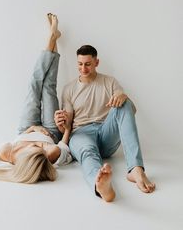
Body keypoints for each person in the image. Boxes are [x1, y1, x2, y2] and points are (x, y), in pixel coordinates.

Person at [0, 14, 72, 184]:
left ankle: (53, 37)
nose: (39, 146)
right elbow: (63, 146)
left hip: (26, 128)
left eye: (36, 148)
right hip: (50, 130)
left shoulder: (7, 153)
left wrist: (30, 129)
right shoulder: (50, 154)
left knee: (34, 84)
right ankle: (53, 38)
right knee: (48, 86)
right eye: (41, 149)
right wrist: (65, 128)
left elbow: (7, 148)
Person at [55, 45, 155, 202]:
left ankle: (135, 169)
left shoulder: (110, 82)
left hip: (106, 134)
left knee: (125, 101)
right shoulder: (69, 89)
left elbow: (130, 111)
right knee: (87, 152)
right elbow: (67, 123)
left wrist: (122, 96)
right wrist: (60, 121)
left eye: (88, 64)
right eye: (80, 64)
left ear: (96, 62)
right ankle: (100, 185)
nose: (83, 68)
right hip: (81, 133)